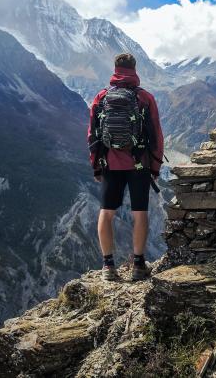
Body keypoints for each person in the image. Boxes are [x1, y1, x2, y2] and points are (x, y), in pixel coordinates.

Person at [88, 53, 164, 281]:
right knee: (140, 213)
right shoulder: (145, 98)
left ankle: (108, 266)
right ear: (135, 69)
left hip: (110, 162)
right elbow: (157, 136)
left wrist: (96, 165)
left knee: (107, 212)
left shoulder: (101, 97)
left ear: (115, 69)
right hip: (139, 163)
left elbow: (92, 134)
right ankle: (139, 265)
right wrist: (156, 167)